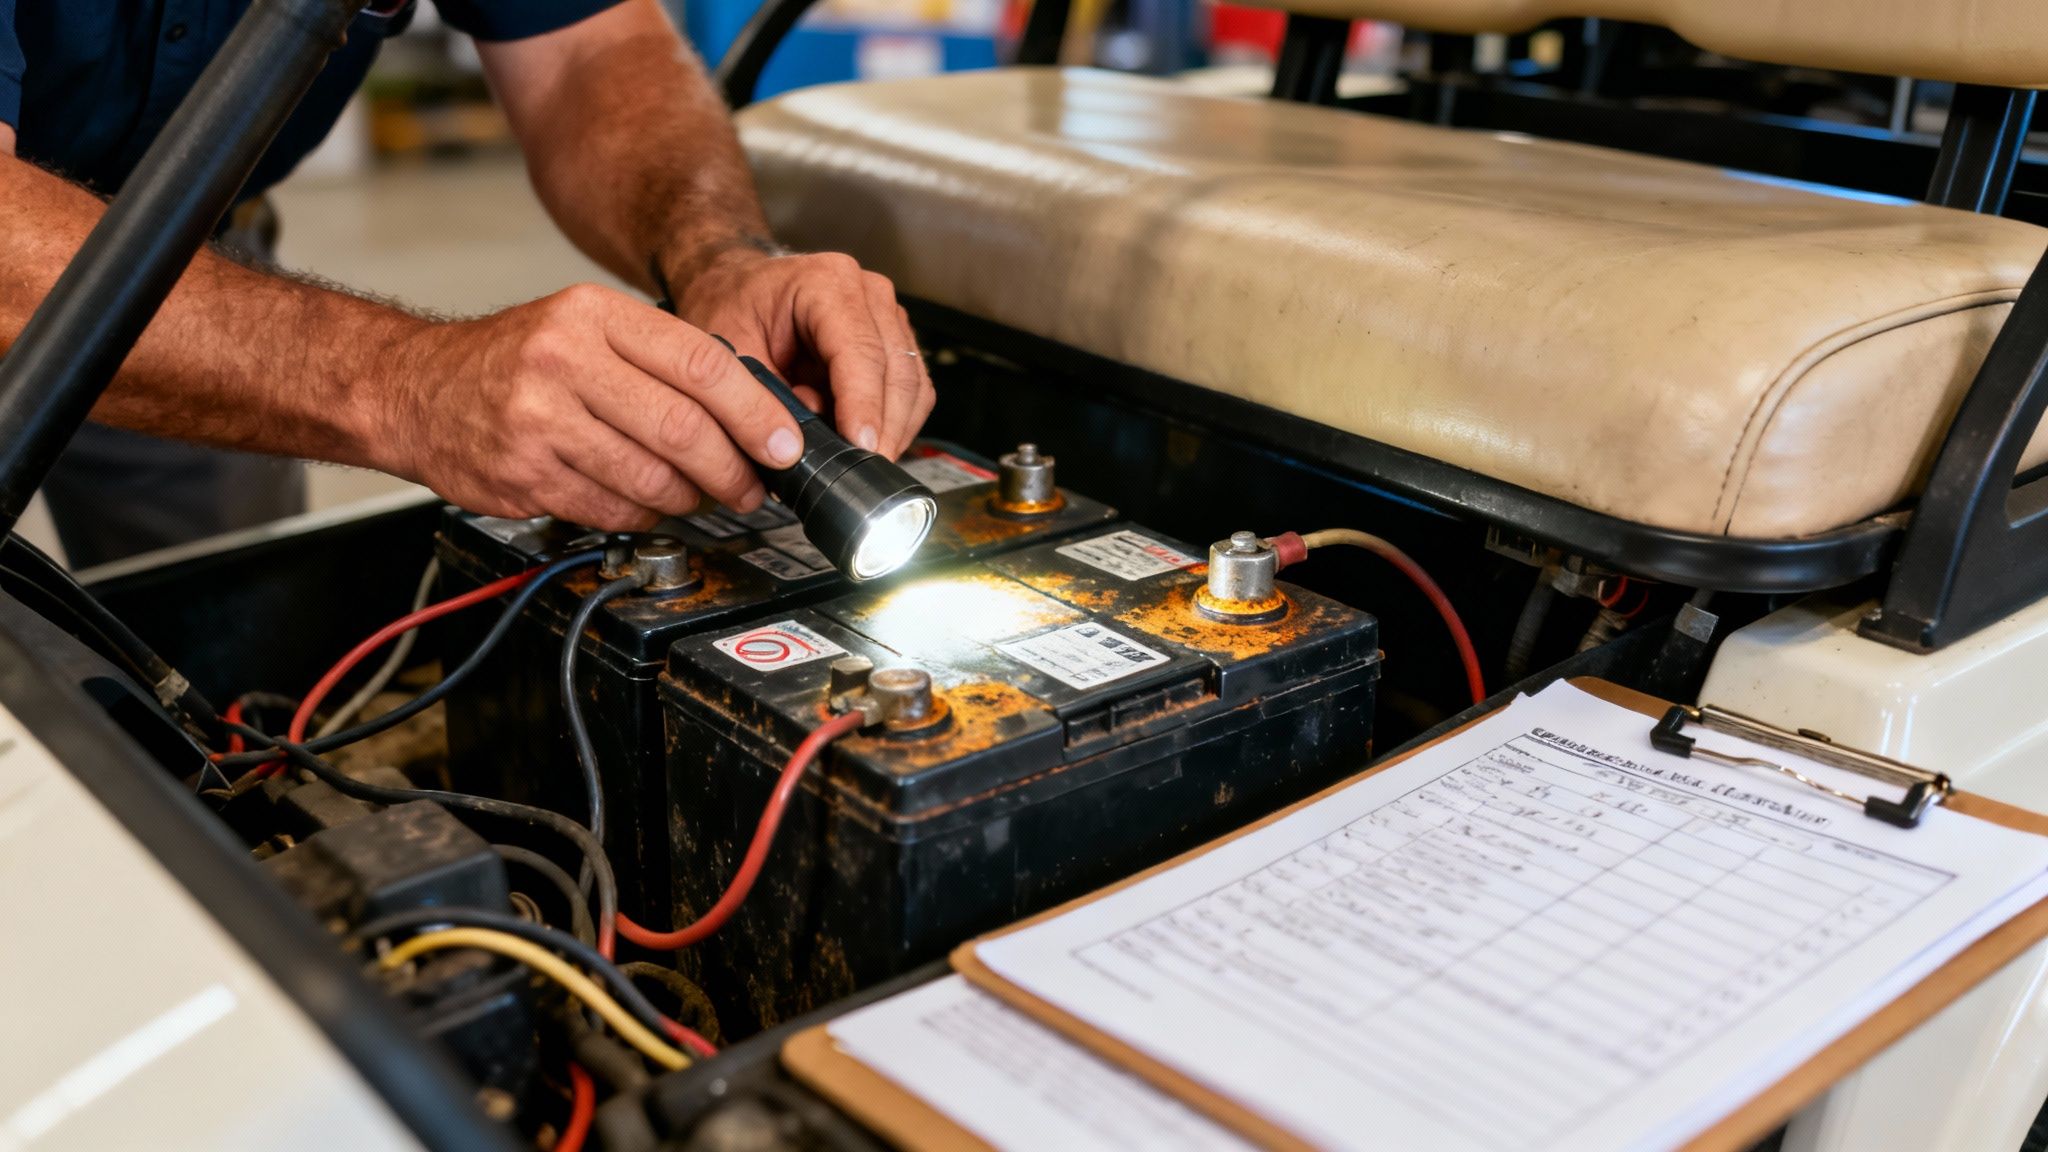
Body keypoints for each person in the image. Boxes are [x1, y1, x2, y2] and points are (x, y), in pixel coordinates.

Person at [0, 0, 934, 567]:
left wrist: (716, 254)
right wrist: (405, 385)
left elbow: (588, 52)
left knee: (206, 704)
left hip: (195, 273)